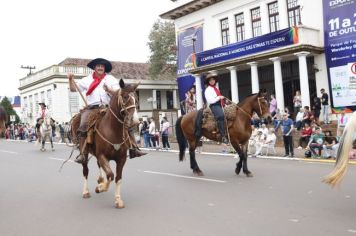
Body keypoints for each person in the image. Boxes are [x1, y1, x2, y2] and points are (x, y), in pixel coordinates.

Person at [68, 58, 146, 163]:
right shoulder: (86, 79)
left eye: (102, 66)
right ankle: (83, 154)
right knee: (83, 125)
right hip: (92, 108)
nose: (100, 67)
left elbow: (119, 93)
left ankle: (134, 148)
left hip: (108, 107)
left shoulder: (111, 79)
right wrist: (70, 79)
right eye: (98, 66)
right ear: (94, 68)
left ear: (104, 68)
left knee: (126, 121)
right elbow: (73, 89)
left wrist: (109, 90)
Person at [204, 73, 228, 144]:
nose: (212, 81)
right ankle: (223, 136)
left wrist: (223, 101)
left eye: (213, 80)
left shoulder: (216, 88)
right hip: (214, 105)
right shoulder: (208, 90)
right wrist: (219, 97)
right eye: (210, 80)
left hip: (220, 104)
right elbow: (210, 100)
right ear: (208, 82)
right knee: (221, 116)